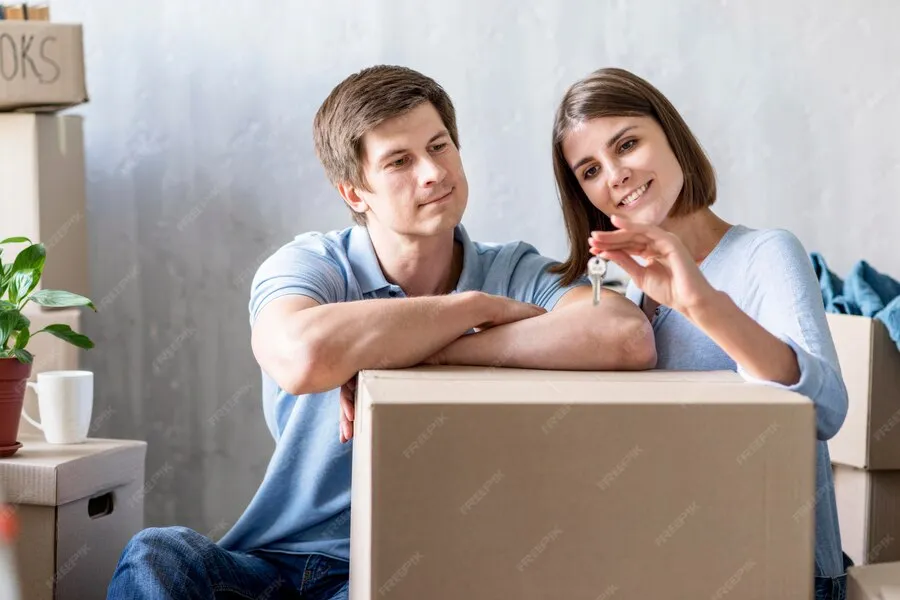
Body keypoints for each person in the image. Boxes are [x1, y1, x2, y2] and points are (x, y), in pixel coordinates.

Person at [106, 65, 656, 600]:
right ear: (354, 193)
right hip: (273, 564)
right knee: (158, 553)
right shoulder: (311, 266)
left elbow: (623, 336)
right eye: (400, 160)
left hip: (405, 569)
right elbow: (303, 357)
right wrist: (472, 307)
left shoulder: (513, 271)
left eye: (440, 146)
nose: (433, 172)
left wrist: (429, 355)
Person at [550, 66, 852, 599]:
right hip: (672, 568)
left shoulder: (765, 253)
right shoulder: (622, 294)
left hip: (778, 572)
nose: (615, 175)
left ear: (671, 136)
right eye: (590, 169)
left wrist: (702, 305)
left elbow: (826, 408)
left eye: (627, 144)